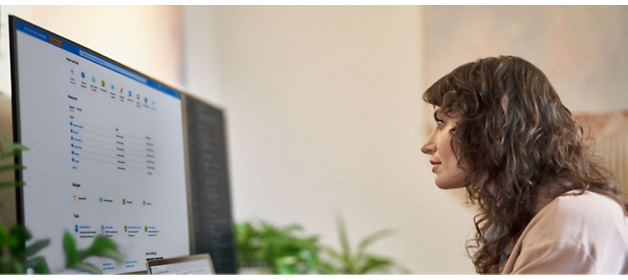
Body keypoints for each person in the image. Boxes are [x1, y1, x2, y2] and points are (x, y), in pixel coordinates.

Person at [420, 56, 628, 275]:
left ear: (491, 127)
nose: (427, 145)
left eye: (442, 123)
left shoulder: (568, 222)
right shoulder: (529, 220)